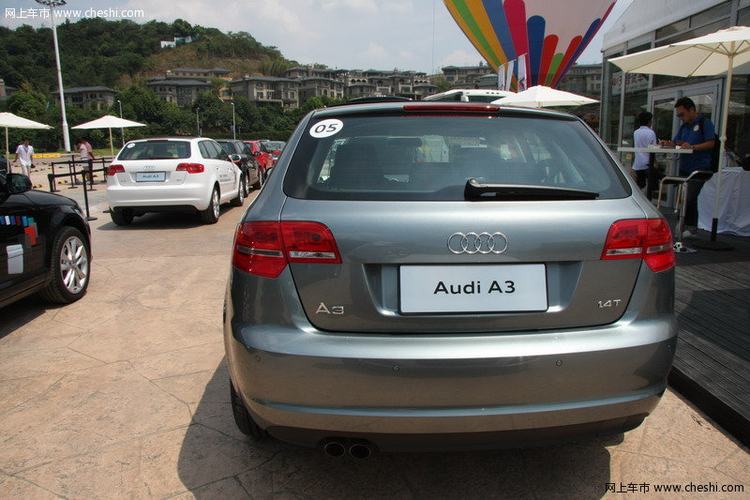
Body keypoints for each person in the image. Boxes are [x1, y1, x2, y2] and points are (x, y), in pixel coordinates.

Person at [661, 97, 716, 237]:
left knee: (688, 196)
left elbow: (711, 143)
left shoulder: (704, 123)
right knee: (686, 197)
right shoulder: (684, 126)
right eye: (678, 115)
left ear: (691, 110)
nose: (680, 118)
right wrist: (669, 144)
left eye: (682, 114)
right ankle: (690, 228)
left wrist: (692, 147)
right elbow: (677, 142)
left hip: (700, 167)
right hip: (685, 166)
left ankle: (683, 226)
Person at [633, 111, 657, 199]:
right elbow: (653, 148)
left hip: (638, 163)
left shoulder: (636, 132)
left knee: (640, 185)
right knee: (650, 186)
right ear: (649, 121)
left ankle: (639, 200)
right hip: (648, 163)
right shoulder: (651, 132)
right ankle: (648, 201)